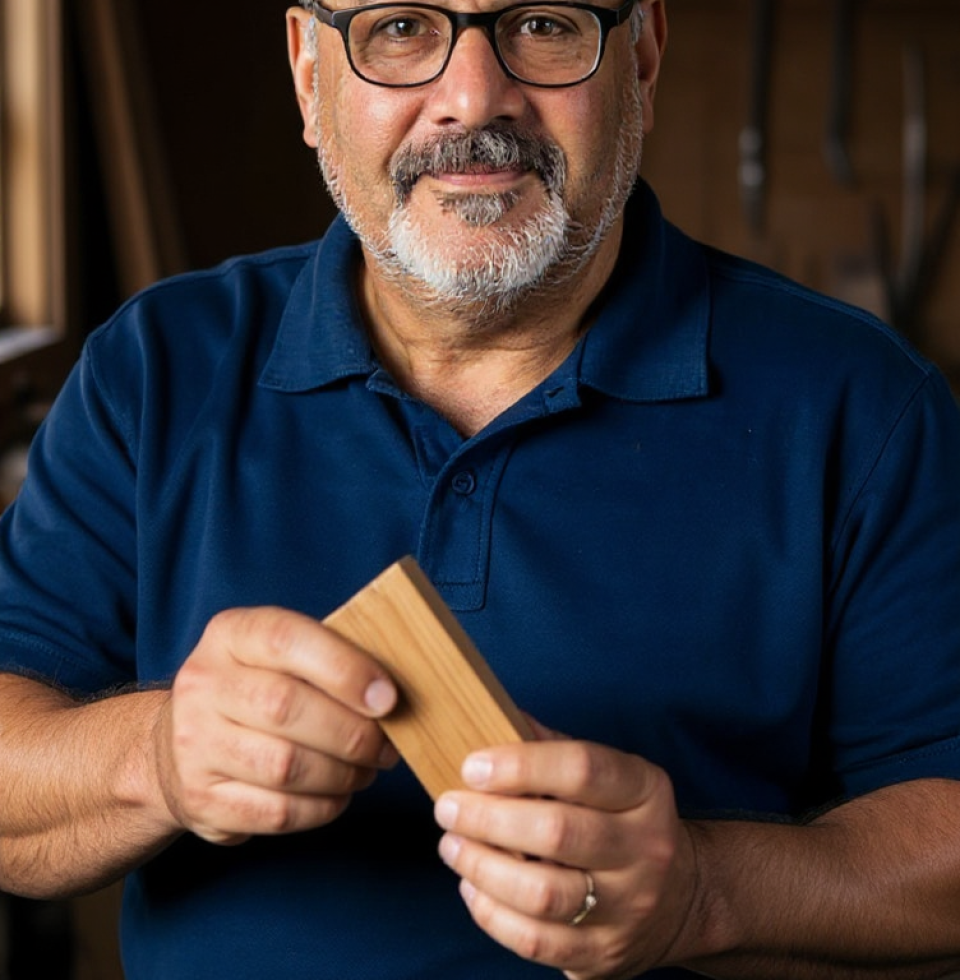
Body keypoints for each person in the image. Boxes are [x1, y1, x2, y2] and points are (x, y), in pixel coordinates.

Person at [1, 0, 960, 976]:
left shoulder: (861, 405)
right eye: (401, 29)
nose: (472, 99)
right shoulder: (156, 367)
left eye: (544, 25)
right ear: (306, 68)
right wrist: (157, 756)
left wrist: (707, 891)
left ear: (643, 56)